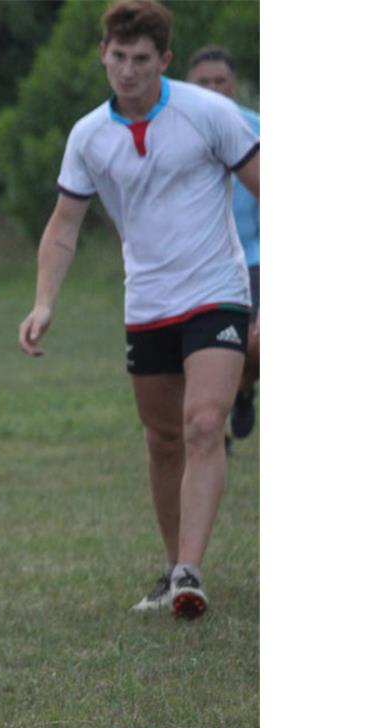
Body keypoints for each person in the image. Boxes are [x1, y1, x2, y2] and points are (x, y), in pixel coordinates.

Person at [16, 0, 259, 618]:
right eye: (118, 57)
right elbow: (64, 227)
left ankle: (188, 572)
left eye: (141, 59)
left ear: (164, 61)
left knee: (205, 423)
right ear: (102, 55)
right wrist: (44, 302)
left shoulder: (210, 113)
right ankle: (174, 563)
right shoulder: (88, 135)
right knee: (163, 438)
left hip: (216, 292)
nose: (127, 71)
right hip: (147, 300)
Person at [187, 44, 260, 445]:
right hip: (194, 262)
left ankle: (243, 389)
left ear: (233, 85)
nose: (213, 89)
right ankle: (213, 433)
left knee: (252, 346)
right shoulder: (176, 133)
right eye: (203, 82)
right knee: (192, 352)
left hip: (252, 256)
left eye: (221, 81)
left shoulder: (257, 130)